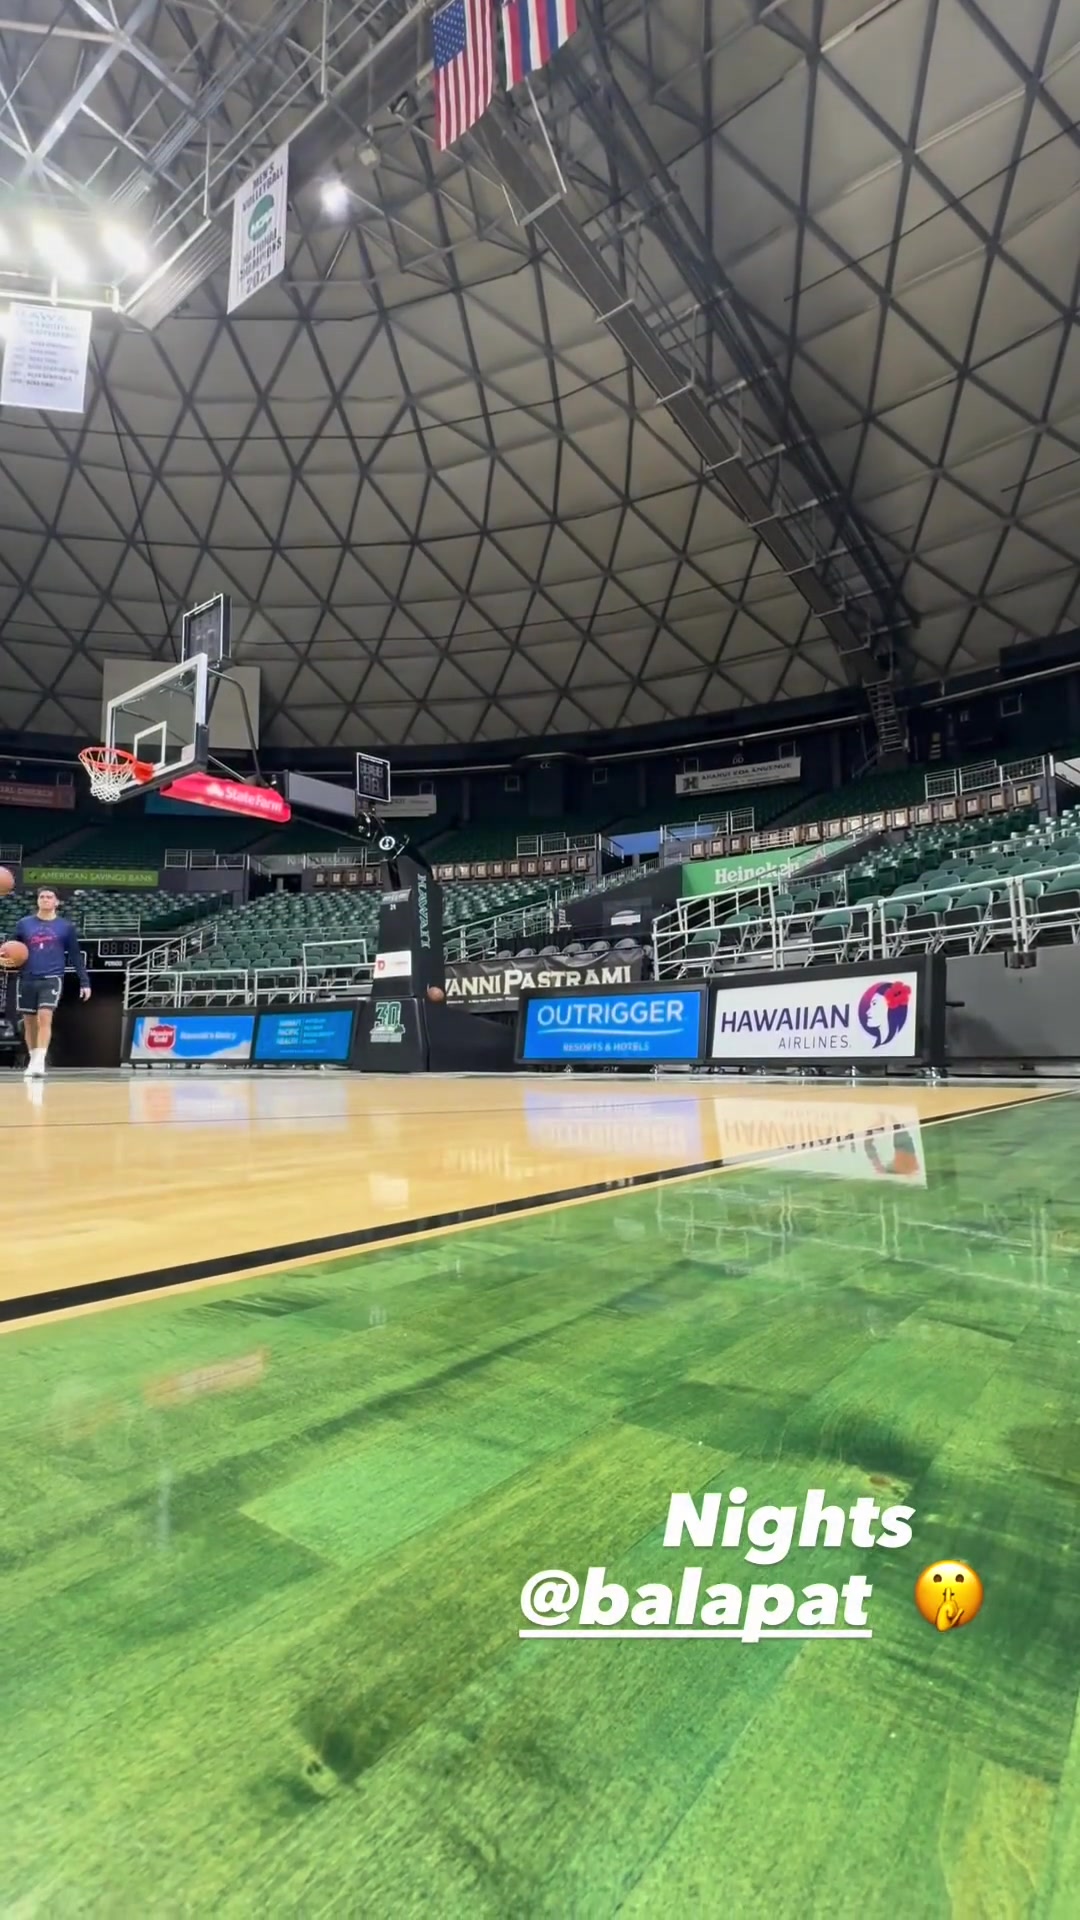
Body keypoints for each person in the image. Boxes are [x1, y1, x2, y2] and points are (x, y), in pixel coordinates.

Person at [13, 887, 91, 1077]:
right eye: (41, 896)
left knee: (45, 1016)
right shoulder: (24, 924)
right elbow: (13, 949)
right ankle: (33, 1059)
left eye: (49, 897)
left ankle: (40, 1061)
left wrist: (84, 981)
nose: (45, 899)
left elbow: (75, 955)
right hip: (27, 977)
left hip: (52, 977)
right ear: (37, 900)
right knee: (29, 1022)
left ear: (57, 902)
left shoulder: (65, 927)